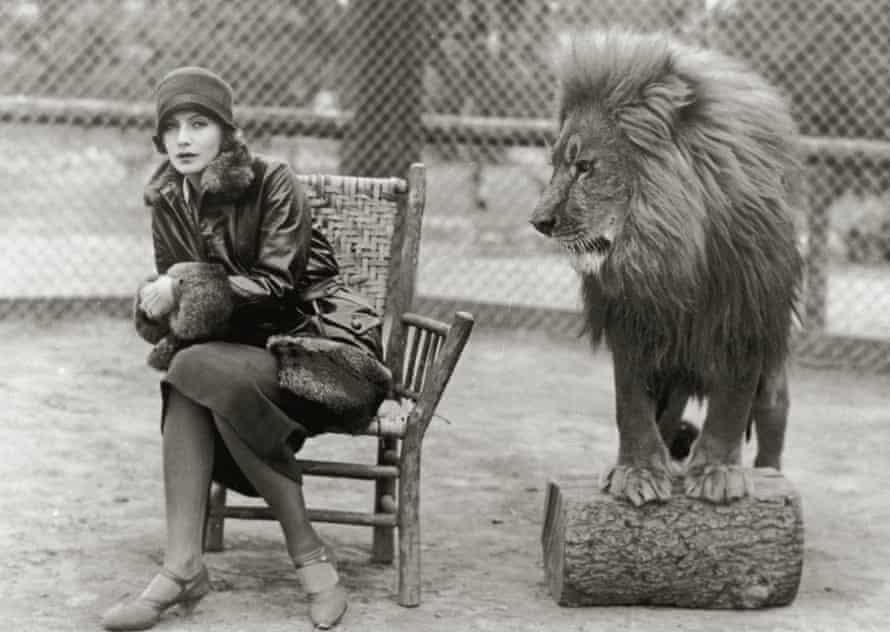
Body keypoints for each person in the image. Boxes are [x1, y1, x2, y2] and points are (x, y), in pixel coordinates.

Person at [101, 66, 385, 631]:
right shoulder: (168, 201)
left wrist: (182, 288)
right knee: (192, 369)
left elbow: (279, 287)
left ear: (226, 132)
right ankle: (214, 563)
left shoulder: (272, 180)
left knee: (195, 370)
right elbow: (189, 315)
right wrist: (161, 305)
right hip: (233, 364)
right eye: (172, 127)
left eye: (198, 123)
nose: (182, 138)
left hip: (318, 351)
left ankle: (247, 559)